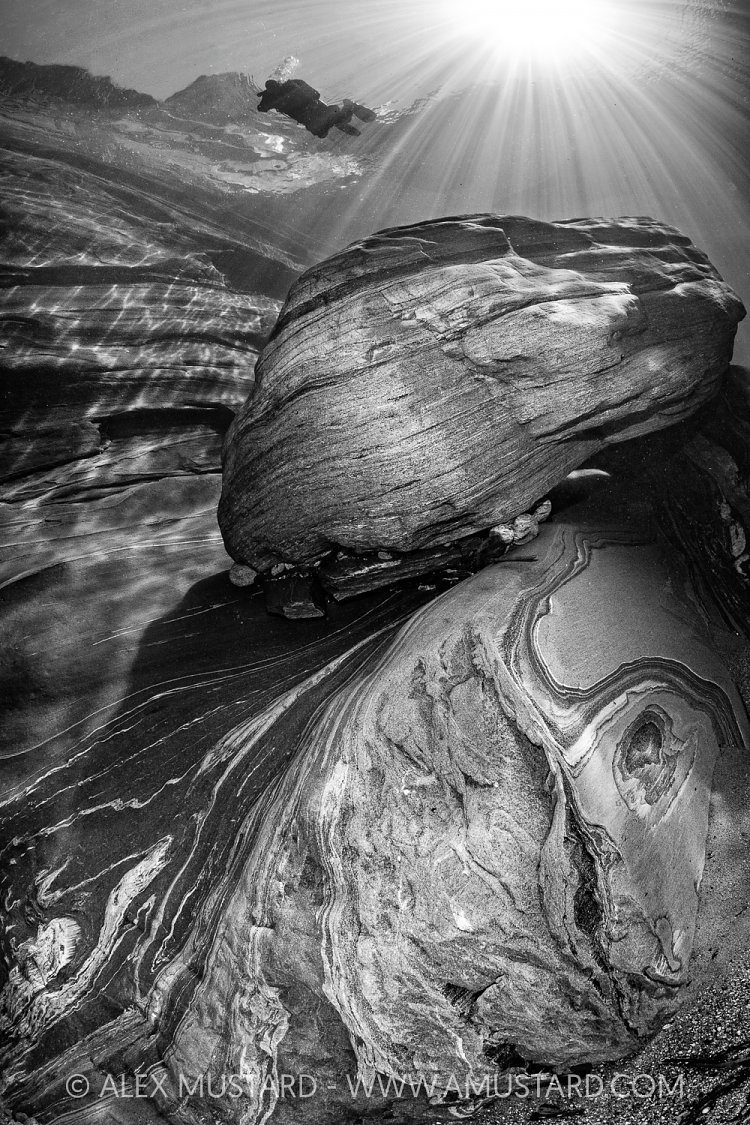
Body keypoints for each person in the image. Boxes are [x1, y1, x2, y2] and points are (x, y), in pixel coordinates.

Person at [256, 77, 372, 138]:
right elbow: (261, 108)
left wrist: (266, 95)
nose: (276, 90)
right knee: (322, 133)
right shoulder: (273, 97)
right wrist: (266, 96)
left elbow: (316, 95)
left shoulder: (290, 86)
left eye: (275, 87)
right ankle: (346, 113)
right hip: (312, 118)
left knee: (337, 121)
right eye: (272, 89)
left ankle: (349, 106)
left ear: (278, 84)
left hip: (320, 111)